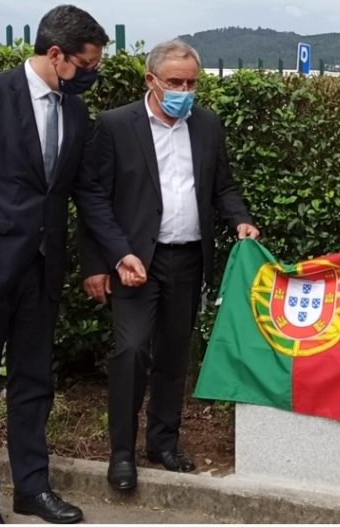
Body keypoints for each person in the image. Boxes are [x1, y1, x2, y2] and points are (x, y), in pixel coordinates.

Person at [0, 5, 147, 525]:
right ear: (56, 55)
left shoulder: (75, 113)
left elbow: (85, 193)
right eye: (87, 63)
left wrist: (120, 250)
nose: (92, 73)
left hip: (41, 270)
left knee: (33, 384)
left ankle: (32, 487)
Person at [79, 40, 258, 492]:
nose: (184, 91)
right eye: (175, 82)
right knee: (132, 350)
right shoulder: (117, 126)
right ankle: (121, 452)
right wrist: (105, 260)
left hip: (188, 258)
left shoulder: (207, 125)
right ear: (151, 81)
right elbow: (94, 198)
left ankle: (162, 442)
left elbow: (224, 187)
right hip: (136, 261)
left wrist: (240, 220)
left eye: (192, 83)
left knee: (176, 356)